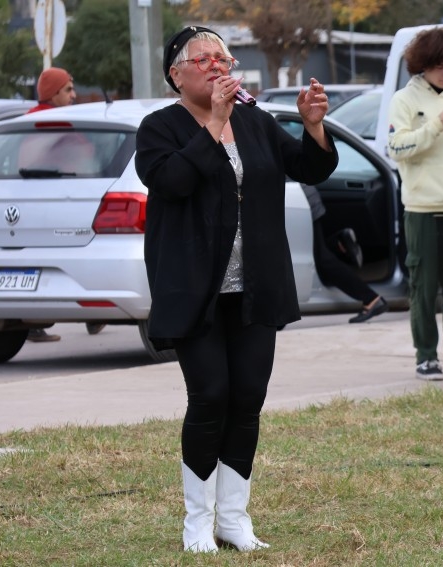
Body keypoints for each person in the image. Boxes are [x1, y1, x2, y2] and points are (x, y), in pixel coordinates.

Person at [134, 26, 337, 553]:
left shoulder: (255, 121)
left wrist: (314, 126)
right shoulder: (159, 128)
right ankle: (197, 522)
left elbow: (312, 167)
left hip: (256, 286)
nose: (217, 66)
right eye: (203, 60)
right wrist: (214, 122)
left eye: (223, 58)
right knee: (210, 397)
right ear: (176, 74)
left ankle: (234, 518)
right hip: (195, 289)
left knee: (248, 398)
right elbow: (173, 182)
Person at [387, 28, 443, 381]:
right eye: (440, 66)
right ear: (423, 65)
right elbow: (397, 148)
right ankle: (425, 356)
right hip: (422, 209)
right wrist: (437, 125)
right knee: (423, 288)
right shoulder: (404, 100)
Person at [25, 68, 105, 341]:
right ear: (53, 93)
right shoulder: (56, 122)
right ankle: (96, 314)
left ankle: (33, 323)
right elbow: (83, 157)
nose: (73, 95)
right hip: (60, 205)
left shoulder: (30, 120)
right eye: (68, 90)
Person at [303, 185, 388, 323]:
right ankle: (339, 244)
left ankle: (372, 299)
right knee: (319, 254)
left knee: (322, 260)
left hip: (303, 201)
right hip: (304, 199)